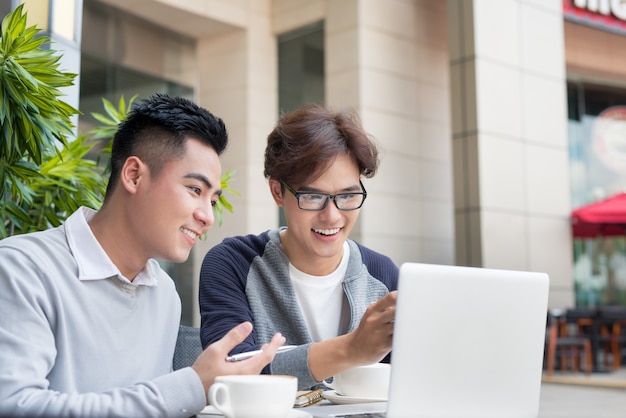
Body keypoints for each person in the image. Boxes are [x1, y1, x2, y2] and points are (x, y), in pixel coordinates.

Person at [0, 94, 285, 417]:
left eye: (213, 200)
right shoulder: (20, 269)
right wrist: (193, 385)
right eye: (195, 190)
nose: (207, 215)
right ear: (134, 175)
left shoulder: (164, 294)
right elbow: (15, 407)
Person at [198, 104, 398, 391]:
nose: (332, 216)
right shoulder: (233, 264)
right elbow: (230, 376)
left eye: (347, 195)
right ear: (278, 191)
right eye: (313, 197)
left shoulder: (383, 276)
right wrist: (350, 349)